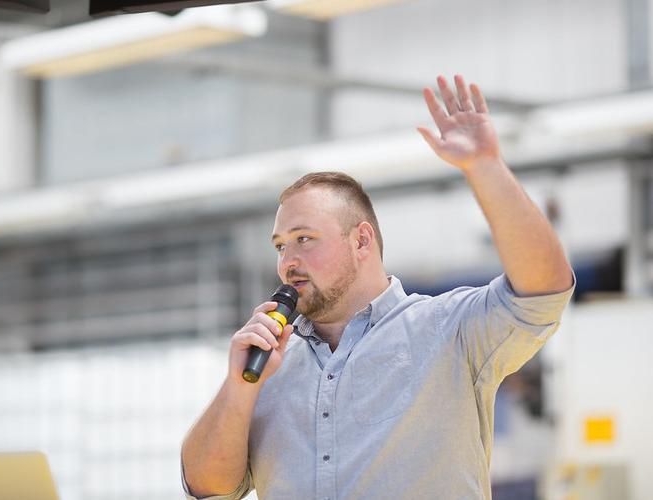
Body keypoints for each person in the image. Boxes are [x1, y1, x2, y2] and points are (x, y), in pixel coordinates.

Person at [180, 74, 575, 499]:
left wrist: (485, 167)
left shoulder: (446, 330)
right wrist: (240, 387)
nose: (287, 261)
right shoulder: (266, 369)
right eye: (280, 245)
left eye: (304, 239)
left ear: (362, 241)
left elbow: (543, 292)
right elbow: (207, 487)